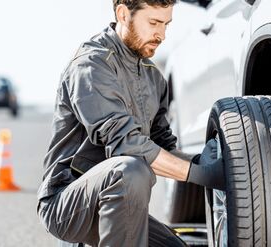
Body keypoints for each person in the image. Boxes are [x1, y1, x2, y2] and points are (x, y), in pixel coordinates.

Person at [37, 0, 225, 246]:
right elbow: (125, 144)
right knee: (130, 170)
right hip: (68, 204)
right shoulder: (91, 64)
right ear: (123, 14)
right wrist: (197, 173)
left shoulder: (153, 76)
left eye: (166, 24)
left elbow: (163, 149)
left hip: (119, 202)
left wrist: (200, 162)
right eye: (154, 23)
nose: (162, 34)